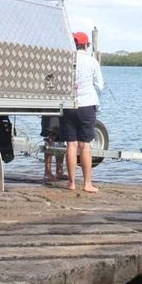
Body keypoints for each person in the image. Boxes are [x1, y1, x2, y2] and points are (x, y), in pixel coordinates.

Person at [62, 31, 104, 193]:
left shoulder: (66, 59)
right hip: (87, 105)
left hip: (68, 105)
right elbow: (100, 85)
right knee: (85, 145)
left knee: (71, 145)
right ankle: (87, 183)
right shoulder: (92, 61)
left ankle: (71, 183)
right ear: (86, 45)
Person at [41, 115, 67, 182]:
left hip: (62, 111)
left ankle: (59, 171)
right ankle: (47, 172)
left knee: (60, 140)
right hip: (50, 111)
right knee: (50, 137)